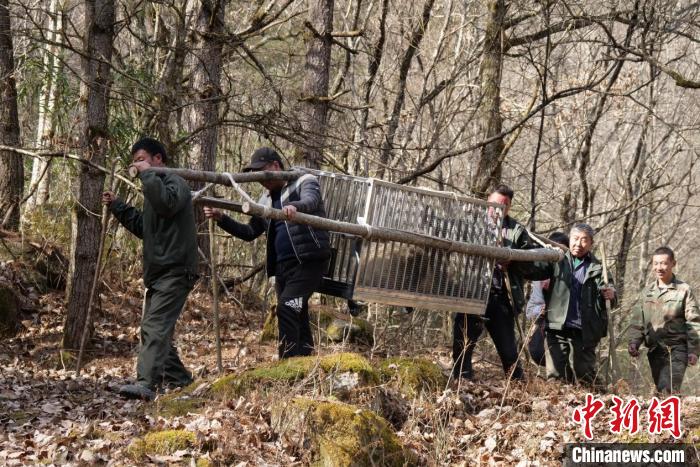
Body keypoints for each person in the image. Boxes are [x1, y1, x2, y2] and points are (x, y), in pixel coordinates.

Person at [204, 147, 331, 359]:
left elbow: (311, 201)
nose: (262, 180)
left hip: (309, 261)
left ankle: (288, 362)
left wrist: (295, 207)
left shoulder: (303, 180)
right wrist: (222, 219)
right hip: (283, 268)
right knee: (295, 310)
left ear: (275, 166)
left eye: (263, 172)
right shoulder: (264, 201)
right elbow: (250, 232)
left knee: (288, 307)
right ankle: (305, 358)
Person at [102, 137, 198, 401]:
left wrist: (147, 177)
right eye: (135, 161)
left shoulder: (174, 183)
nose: (138, 165)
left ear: (158, 159)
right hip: (159, 272)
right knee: (153, 328)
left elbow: (167, 204)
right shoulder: (154, 190)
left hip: (176, 270)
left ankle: (146, 384)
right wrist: (118, 206)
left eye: (142, 159)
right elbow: (145, 228)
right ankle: (181, 380)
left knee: (155, 326)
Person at [452, 184, 534, 381]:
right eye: (495, 204)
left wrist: (513, 260)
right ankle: (462, 385)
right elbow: (450, 238)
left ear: (509, 208)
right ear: (488, 201)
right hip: (470, 291)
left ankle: (518, 388)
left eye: (504, 206)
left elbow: (533, 266)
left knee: (508, 351)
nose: (498, 209)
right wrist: (462, 216)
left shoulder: (516, 231)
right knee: (463, 345)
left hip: (501, 295)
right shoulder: (470, 222)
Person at [519, 223, 615, 385]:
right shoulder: (558, 260)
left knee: (584, 372)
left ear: (591, 243)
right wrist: (519, 261)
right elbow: (535, 270)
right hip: (557, 325)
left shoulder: (599, 268)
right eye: (575, 239)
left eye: (584, 240)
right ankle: (557, 405)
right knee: (555, 374)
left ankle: (596, 401)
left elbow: (610, 296)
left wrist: (611, 295)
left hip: (584, 329)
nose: (578, 244)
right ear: (570, 240)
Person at [628, 246, 700, 393]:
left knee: (668, 387)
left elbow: (694, 322)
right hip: (655, 350)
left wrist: (693, 350)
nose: (659, 267)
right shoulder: (647, 292)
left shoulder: (684, 290)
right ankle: (672, 414)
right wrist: (634, 342)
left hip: (677, 350)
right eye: (655, 263)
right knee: (662, 390)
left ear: (673, 263)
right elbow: (638, 321)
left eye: (663, 263)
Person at [525, 231, 569, 367]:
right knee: (538, 353)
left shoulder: (573, 274)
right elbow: (530, 311)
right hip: (547, 324)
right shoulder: (541, 277)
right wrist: (542, 310)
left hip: (568, 325)